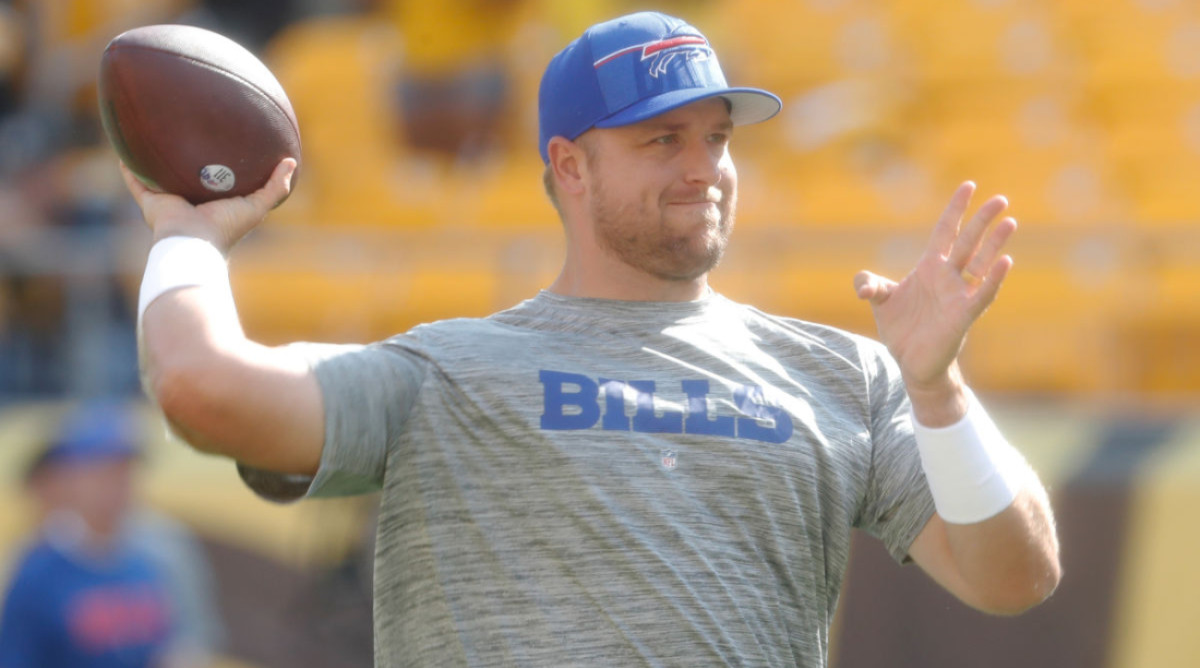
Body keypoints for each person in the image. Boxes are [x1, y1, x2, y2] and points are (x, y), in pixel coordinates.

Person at [122, 11, 1061, 667]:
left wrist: (940, 392)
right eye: (662, 140)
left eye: (717, 137)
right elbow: (203, 388)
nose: (704, 169)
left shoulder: (839, 371)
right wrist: (189, 238)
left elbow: (1016, 577)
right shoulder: (445, 373)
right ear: (569, 165)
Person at [0, 402, 222, 668]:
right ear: (73, 481)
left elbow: (185, 637)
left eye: (124, 474)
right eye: (103, 474)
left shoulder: (150, 562)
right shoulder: (39, 570)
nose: (116, 488)